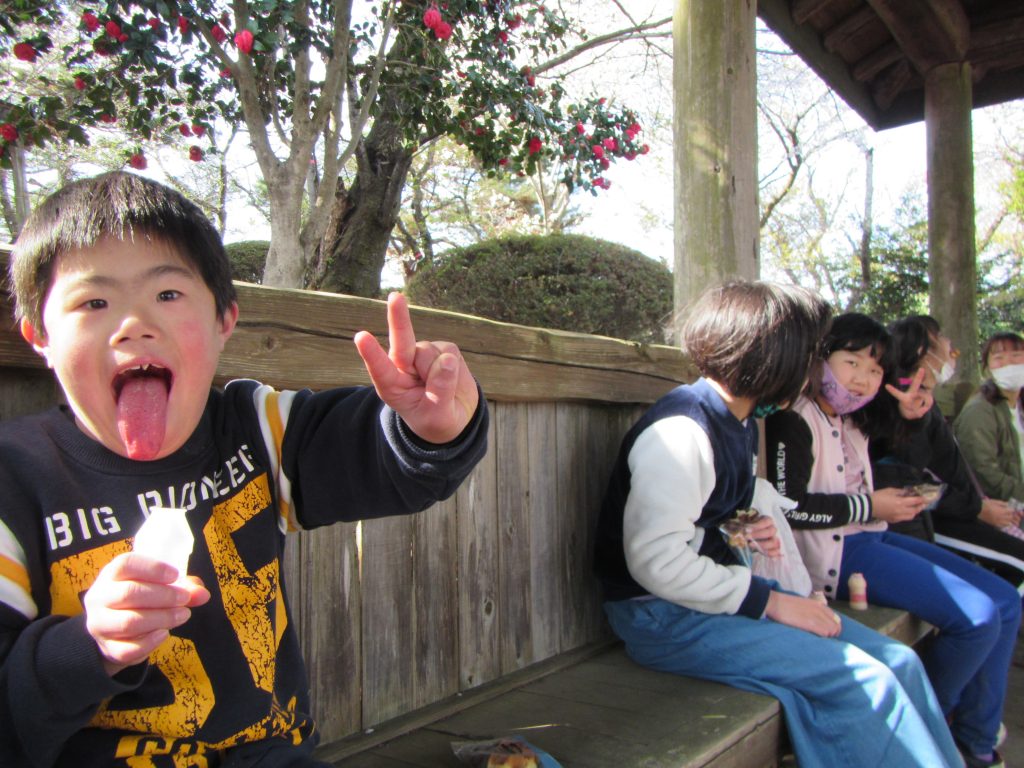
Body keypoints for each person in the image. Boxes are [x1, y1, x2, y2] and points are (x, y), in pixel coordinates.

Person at [0, 172, 489, 767]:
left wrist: (431, 428)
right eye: (94, 302)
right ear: (39, 336)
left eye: (168, 295)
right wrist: (87, 646)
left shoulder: (252, 430)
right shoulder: (15, 481)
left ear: (224, 321)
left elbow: (372, 452)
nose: (134, 324)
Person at [595, 282, 962, 768]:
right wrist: (772, 602)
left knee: (901, 661)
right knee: (865, 683)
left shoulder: (740, 419)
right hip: (661, 618)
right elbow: (656, 562)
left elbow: (710, 514)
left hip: (709, 599)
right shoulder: (683, 432)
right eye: (811, 356)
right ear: (775, 359)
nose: (815, 371)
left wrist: (740, 529)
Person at [765, 312, 1021, 768]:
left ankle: (976, 736)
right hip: (837, 556)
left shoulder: (852, 417)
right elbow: (792, 507)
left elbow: (906, 449)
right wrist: (872, 506)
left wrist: (913, 415)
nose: (863, 380)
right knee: (978, 618)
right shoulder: (795, 417)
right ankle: (923, 725)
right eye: (852, 363)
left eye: (875, 368)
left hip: (873, 540)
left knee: (1005, 602)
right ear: (821, 359)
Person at [868, 317, 1024, 593]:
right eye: (942, 340)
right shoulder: (897, 406)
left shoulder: (925, 402)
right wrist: (978, 509)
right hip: (932, 520)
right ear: (922, 351)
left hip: (960, 511)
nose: (951, 349)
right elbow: (909, 482)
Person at [954, 331, 1024, 505]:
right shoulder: (979, 411)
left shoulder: (1019, 404)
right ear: (987, 369)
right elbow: (983, 472)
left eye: (1016, 356)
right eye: (999, 358)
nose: (1008, 364)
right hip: (1003, 507)